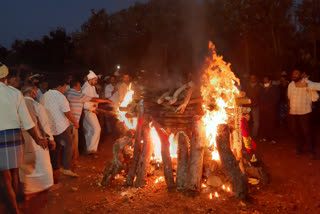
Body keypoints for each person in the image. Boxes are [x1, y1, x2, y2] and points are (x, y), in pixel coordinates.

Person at [0, 63, 48, 214]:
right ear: (5, 77)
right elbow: (27, 121)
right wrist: (38, 139)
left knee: (4, 176)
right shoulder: (15, 93)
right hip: (15, 137)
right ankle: (17, 200)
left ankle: (13, 209)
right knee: (14, 172)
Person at [41, 77, 79, 181]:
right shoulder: (60, 97)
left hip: (49, 128)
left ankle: (55, 169)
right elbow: (67, 112)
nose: (64, 89)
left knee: (55, 149)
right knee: (68, 145)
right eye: (64, 87)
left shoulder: (44, 96)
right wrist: (75, 122)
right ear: (59, 86)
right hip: (61, 126)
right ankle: (66, 168)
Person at [20, 86, 56, 196]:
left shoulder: (17, 104)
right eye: (35, 92)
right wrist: (51, 139)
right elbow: (45, 125)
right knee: (43, 163)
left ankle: (28, 190)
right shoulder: (36, 105)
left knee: (25, 166)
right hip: (37, 138)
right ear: (32, 92)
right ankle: (46, 185)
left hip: (21, 138)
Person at [65, 79, 113, 160]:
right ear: (76, 86)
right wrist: (106, 100)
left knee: (88, 132)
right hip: (74, 120)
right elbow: (92, 99)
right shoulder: (78, 94)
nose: (81, 87)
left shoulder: (67, 93)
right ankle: (73, 160)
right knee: (73, 141)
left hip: (67, 121)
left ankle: (86, 151)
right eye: (79, 86)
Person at [288, 69, 319, 159]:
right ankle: (299, 148)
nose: (294, 75)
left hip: (305, 112)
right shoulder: (290, 85)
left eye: (296, 73)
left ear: (301, 75)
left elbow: (315, 98)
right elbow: (289, 97)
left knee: (307, 132)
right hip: (293, 112)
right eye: (293, 73)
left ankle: (311, 151)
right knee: (295, 131)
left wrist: (308, 87)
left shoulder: (307, 82)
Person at [81, 70, 102, 154]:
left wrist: (96, 106)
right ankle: (92, 149)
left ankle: (89, 149)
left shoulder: (92, 87)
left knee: (89, 130)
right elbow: (84, 103)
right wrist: (92, 109)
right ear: (91, 79)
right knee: (97, 129)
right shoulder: (85, 88)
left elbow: (95, 97)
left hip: (92, 111)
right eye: (95, 80)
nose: (96, 82)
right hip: (88, 112)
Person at [259, 75, 280, 143]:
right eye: (264, 80)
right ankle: (264, 137)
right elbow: (260, 97)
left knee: (271, 123)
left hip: (271, 109)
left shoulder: (274, 88)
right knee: (263, 123)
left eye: (266, 80)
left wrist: (270, 106)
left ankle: (272, 138)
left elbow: (276, 99)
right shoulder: (262, 89)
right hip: (263, 109)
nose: (265, 82)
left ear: (270, 81)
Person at [243, 74, 261, 138]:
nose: (252, 79)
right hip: (248, 107)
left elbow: (260, 96)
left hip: (255, 106)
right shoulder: (246, 86)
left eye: (254, 78)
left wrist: (256, 102)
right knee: (246, 120)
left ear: (256, 78)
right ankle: (246, 135)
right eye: (251, 78)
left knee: (256, 122)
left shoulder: (259, 86)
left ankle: (254, 135)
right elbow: (244, 95)